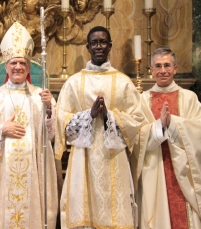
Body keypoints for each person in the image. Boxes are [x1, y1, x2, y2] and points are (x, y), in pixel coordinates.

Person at [55, 26, 145, 228]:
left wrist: (109, 117)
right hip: (82, 157)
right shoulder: (74, 82)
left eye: (103, 42)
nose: (98, 46)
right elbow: (62, 120)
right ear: (87, 47)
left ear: (110, 46)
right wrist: (90, 115)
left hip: (113, 157)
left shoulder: (123, 82)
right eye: (94, 42)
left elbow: (137, 118)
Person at [0, 22, 58, 229]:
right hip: (2, 174)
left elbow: (52, 135)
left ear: (28, 67)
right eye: (13, 63)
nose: (18, 67)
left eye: (22, 63)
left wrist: (48, 110)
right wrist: (1, 129)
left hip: (34, 173)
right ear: (6, 66)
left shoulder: (41, 96)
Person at [134, 47, 201, 229]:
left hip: (182, 171)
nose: (163, 70)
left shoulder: (189, 98)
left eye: (167, 65)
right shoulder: (143, 100)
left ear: (175, 68)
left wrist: (174, 123)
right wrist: (159, 126)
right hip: (154, 170)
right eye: (158, 66)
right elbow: (136, 137)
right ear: (151, 70)